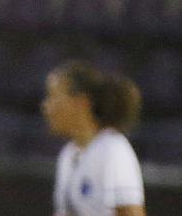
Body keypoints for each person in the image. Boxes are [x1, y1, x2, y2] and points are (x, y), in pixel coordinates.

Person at [41, 60, 146, 216]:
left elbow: (132, 213)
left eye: (53, 96)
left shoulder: (112, 149)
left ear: (80, 102)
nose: (46, 107)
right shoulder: (68, 154)